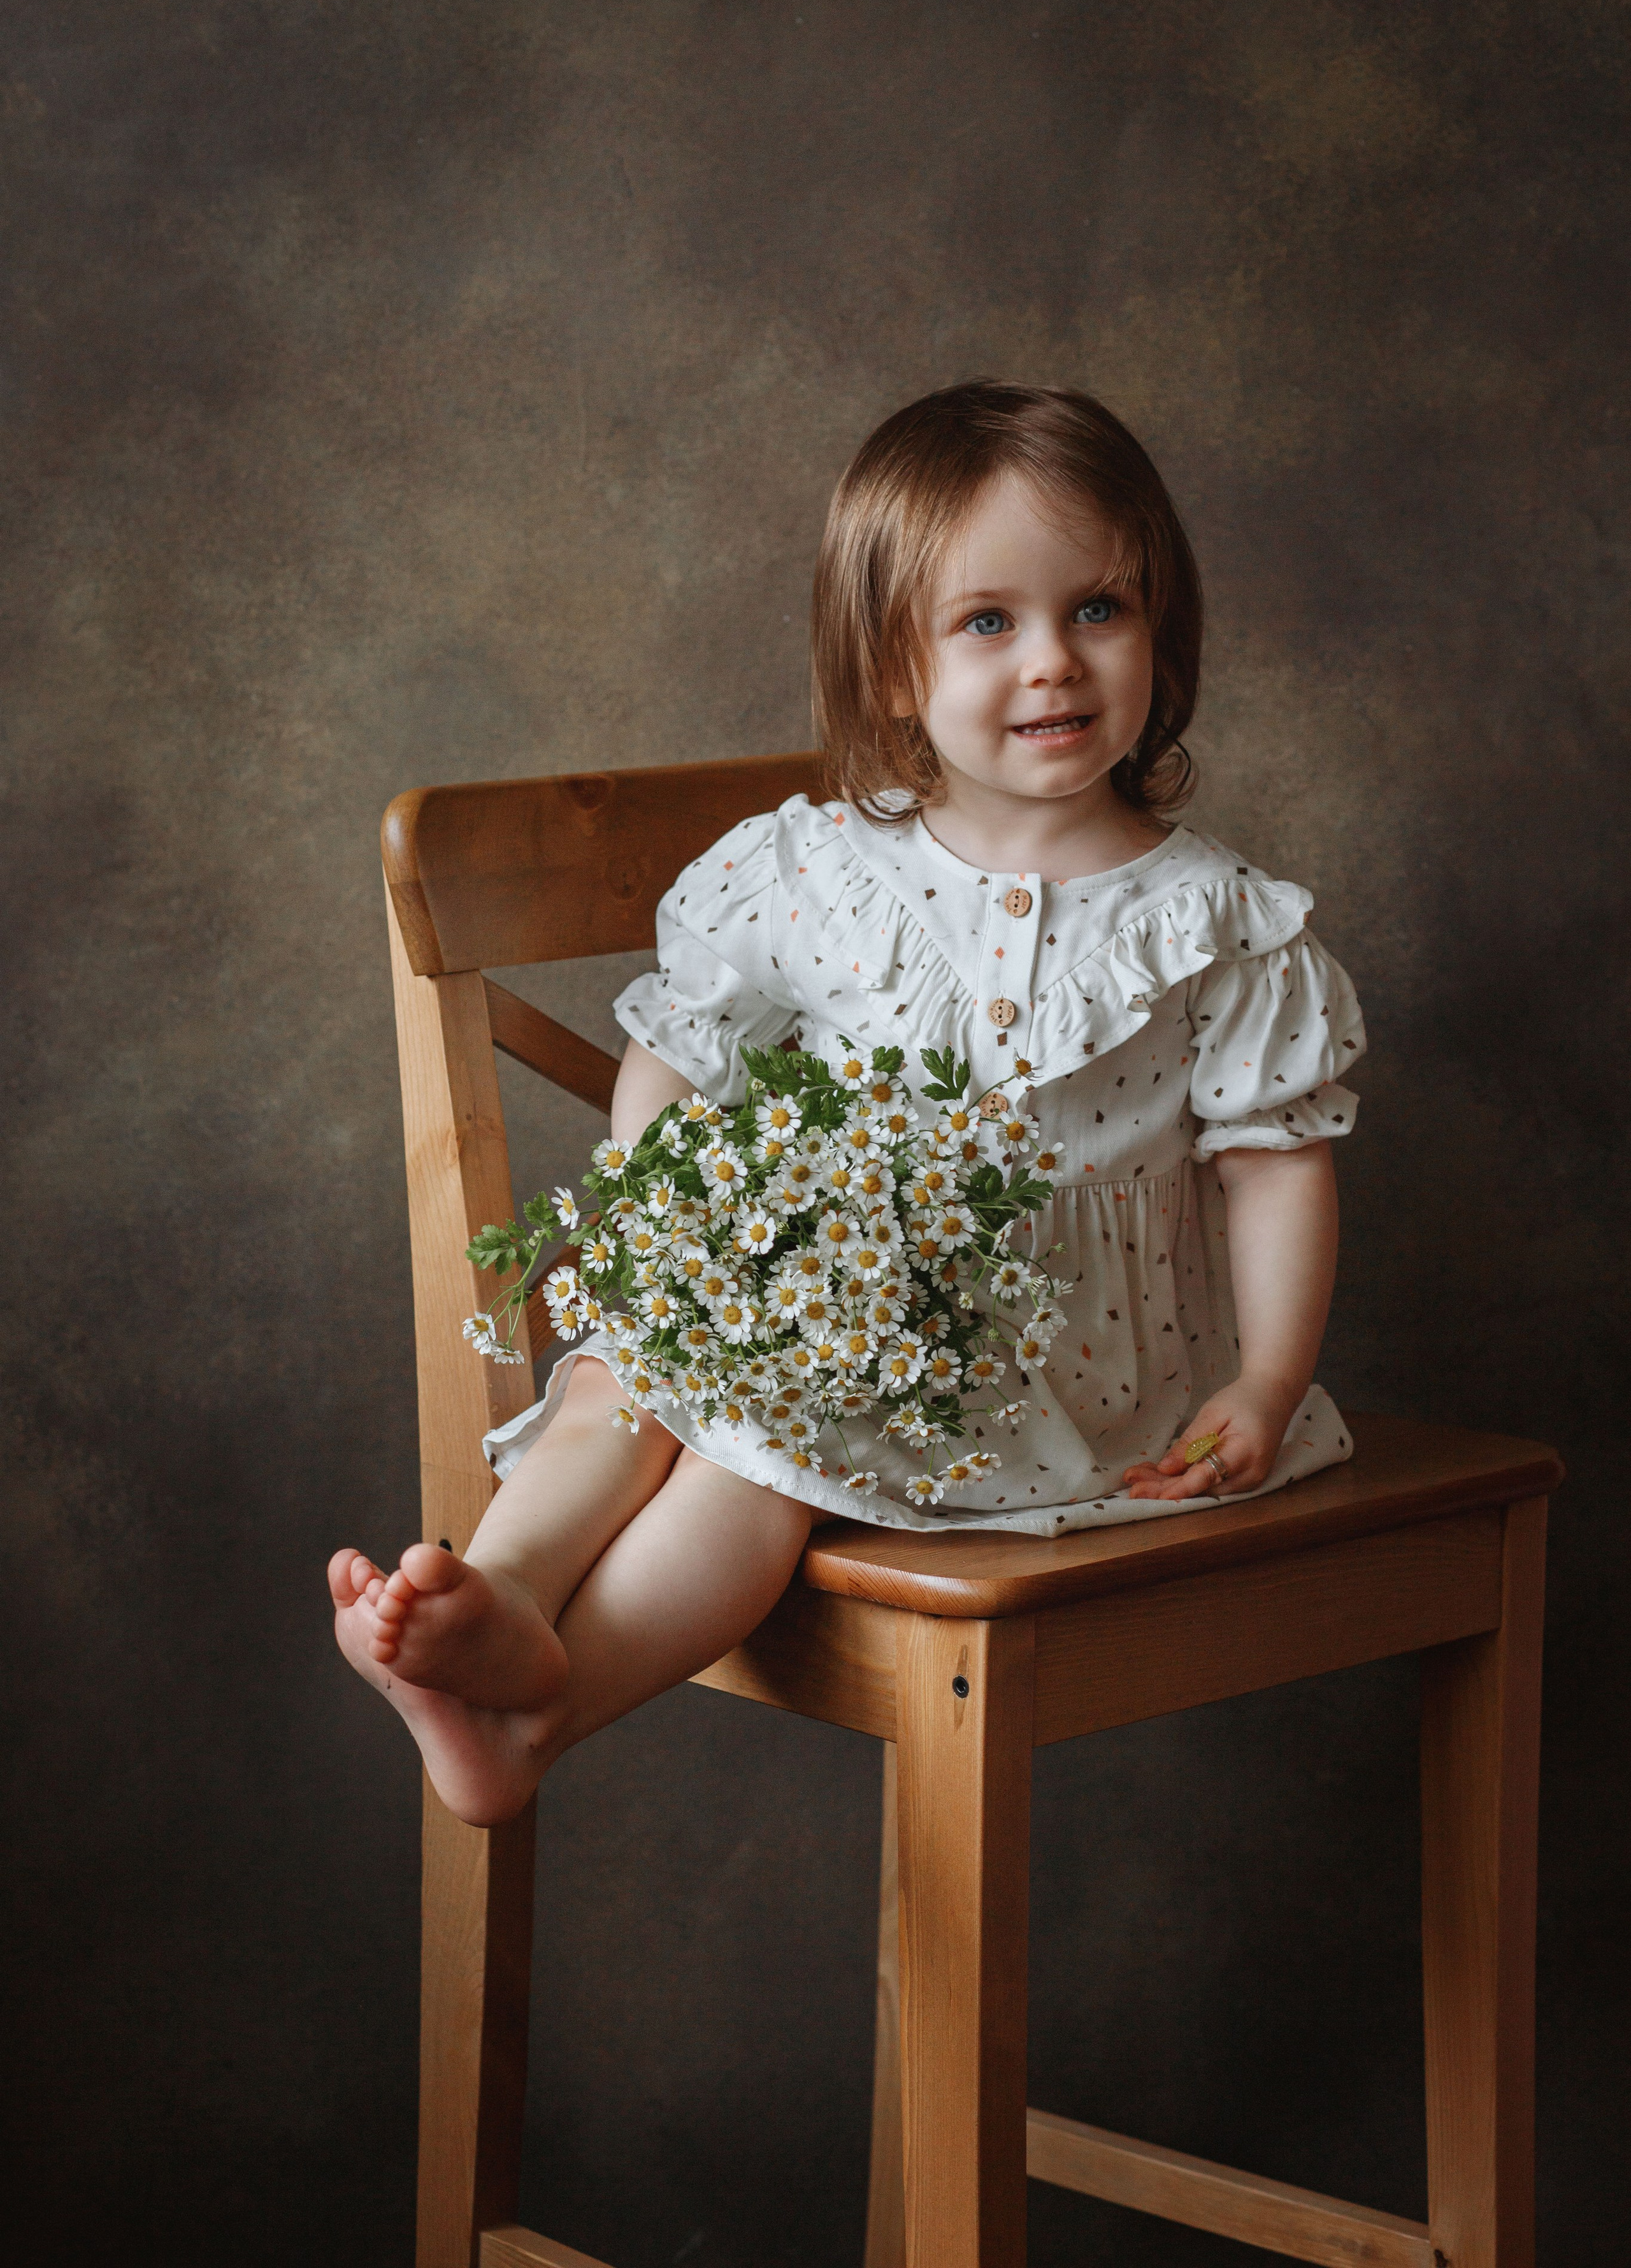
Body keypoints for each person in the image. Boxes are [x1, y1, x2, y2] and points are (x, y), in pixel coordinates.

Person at [330, 380, 1365, 1824]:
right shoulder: (815, 874)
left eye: (1099, 611)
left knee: (759, 1462)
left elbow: (1272, 1165)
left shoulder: (1216, 925)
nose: (1051, 664)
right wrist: (673, 1229)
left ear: (1160, 631)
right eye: (987, 623)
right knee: (624, 1379)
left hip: (1046, 1375)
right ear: (893, 670)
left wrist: (1263, 1381)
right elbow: (680, 1051)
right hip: (811, 1292)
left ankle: (542, 1705)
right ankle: (491, 1602)